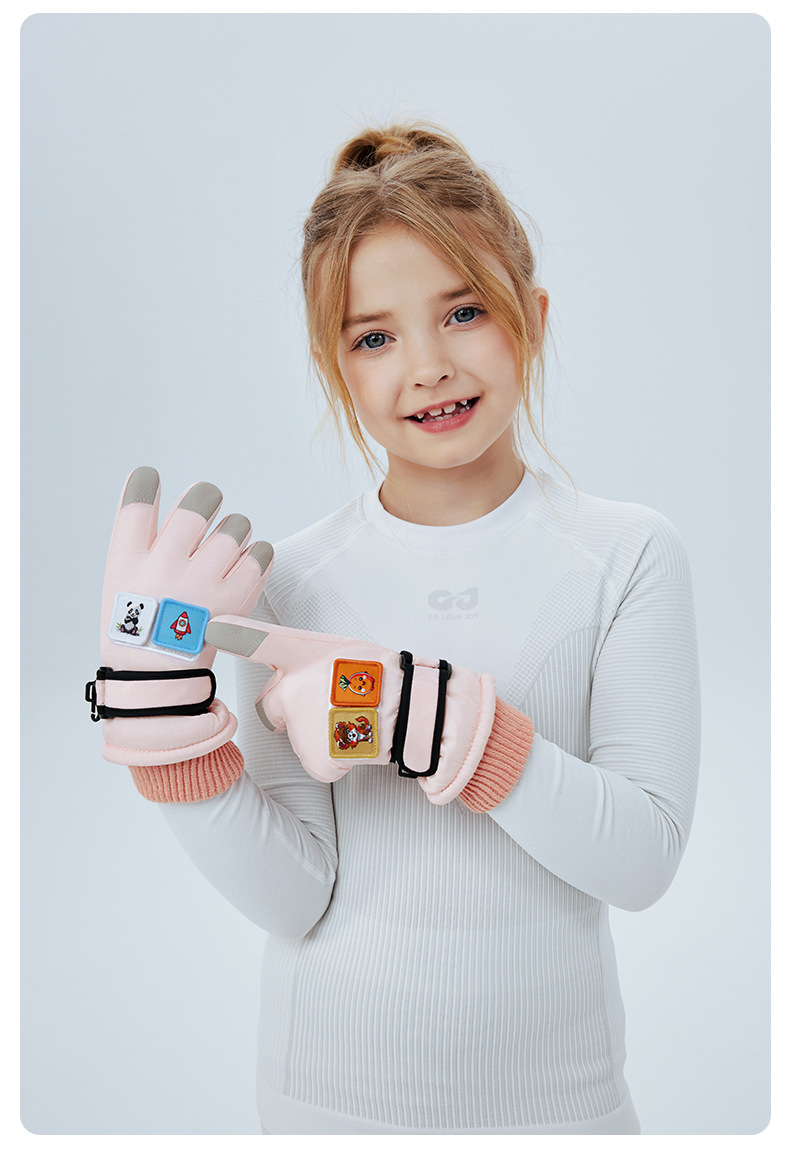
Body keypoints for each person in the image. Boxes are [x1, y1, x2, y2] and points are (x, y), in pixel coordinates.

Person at [89, 123, 701, 1135]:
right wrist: (164, 732)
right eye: (374, 336)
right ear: (334, 366)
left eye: (464, 311)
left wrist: (444, 723)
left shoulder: (628, 555)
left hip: (561, 1109)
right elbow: (294, 898)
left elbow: (642, 862)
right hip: (323, 1103)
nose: (427, 366)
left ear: (533, 316)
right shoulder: (285, 583)